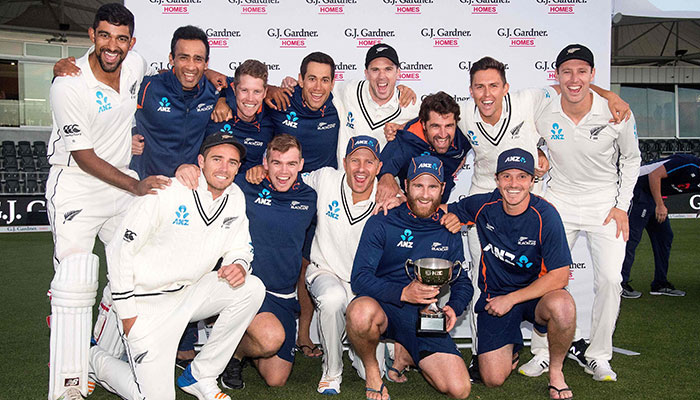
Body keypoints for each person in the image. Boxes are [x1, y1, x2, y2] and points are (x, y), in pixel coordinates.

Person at [45, 4, 170, 399]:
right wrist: (135, 187)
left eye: (120, 38)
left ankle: (99, 355)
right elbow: (84, 155)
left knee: (134, 267)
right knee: (76, 279)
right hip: (76, 186)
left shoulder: (135, 65)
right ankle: (68, 380)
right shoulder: (68, 84)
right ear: (91, 36)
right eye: (104, 36)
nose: (112, 46)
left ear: (131, 42)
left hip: (118, 183)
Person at [88, 132, 264, 400]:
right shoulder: (166, 190)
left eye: (232, 162)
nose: (224, 168)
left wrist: (238, 264)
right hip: (144, 301)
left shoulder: (235, 197)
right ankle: (92, 359)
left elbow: (241, 246)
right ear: (201, 161)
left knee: (251, 288)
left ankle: (200, 375)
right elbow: (119, 249)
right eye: (217, 159)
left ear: (239, 168)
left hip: (187, 294)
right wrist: (127, 314)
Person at [528, 44, 641, 382]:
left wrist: (622, 206)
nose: (573, 79)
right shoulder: (543, 107)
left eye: (581, 71)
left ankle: (598, 355)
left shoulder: (616, 111)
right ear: (557, 76)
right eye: (566, 71)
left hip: (605, 205)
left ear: (592, 75)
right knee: (543, 275)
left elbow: (632, 159)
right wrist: (538, 154)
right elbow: (524, 135)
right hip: (559, 200)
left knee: (609, 279)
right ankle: (542, 352)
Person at [443, 148, 576, 400]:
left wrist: (512, 299)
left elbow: (560, 276)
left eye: (522, 177)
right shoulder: (483, 205)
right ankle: (512, 346)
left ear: (532, 181)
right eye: (506, 176)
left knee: (563, 306)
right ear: (497, 179)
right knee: (493, 379)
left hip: (534, 295)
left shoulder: (545, 215)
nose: (513, 184)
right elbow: (439, 209)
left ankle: (556, 372)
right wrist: (447, 216)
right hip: (495, 298)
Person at [347, 155, 473, 400]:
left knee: (460, 389)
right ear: (405, 186)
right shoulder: (382, 220)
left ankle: (405, 354)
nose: (425, 195)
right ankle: (374, 373)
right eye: (418, 185)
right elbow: (359, 278)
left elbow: (462, 282)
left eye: (432, 186)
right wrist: (403, 293)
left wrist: (453, 309)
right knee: (359, 313)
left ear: (442, 189)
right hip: (385, 308)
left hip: (425, 318)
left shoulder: (448, 228)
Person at [303, 135, 401, 394]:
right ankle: (332, 370)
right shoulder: (326, 179)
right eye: (354, 160)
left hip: (363, 284)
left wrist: (400, 201)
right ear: (344, 162)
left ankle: (360, 352)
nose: (361, 168)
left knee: (374, 369)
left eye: (369, 162)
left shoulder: (388, 195)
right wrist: (258, 170)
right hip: (325, 270)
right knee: (333, 298)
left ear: (379, 167)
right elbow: (287, 178)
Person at [220, 134, 316, 389]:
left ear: (301, 164)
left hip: (284, 297)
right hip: (249, 289)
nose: (283, 171)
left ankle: (241, 345)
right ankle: (233, 355)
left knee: (276, 379)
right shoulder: (245, 185)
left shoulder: (310, 198)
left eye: (291, 164)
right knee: (271, 338)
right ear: (265, 162)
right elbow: (212, 180)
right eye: (276, 163)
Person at [620, 153, 699, 298]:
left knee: (664, 237)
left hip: (652, 196)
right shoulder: (689, 164)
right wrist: (660, 205)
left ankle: (660, 284)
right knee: (631, 238)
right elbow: (654, 175)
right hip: (639, 188)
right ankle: (620, 284)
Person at [376, 91, 471, 204]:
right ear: (424, 125)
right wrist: (386, 177)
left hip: (439, 208)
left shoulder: (463, 136)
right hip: (410, 208)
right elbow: (382, 170)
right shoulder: (404, 141)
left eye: (449, 126)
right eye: (435, 126)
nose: (443, 134)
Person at [206, 60, 275, 176]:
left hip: (248, 189)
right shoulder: (214, 107)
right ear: (233, 89)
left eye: (257, 92)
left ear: (265, 93)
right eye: (244, 90)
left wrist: (264, 169)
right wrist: (221, 99)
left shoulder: (271, 119)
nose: (250, 98)